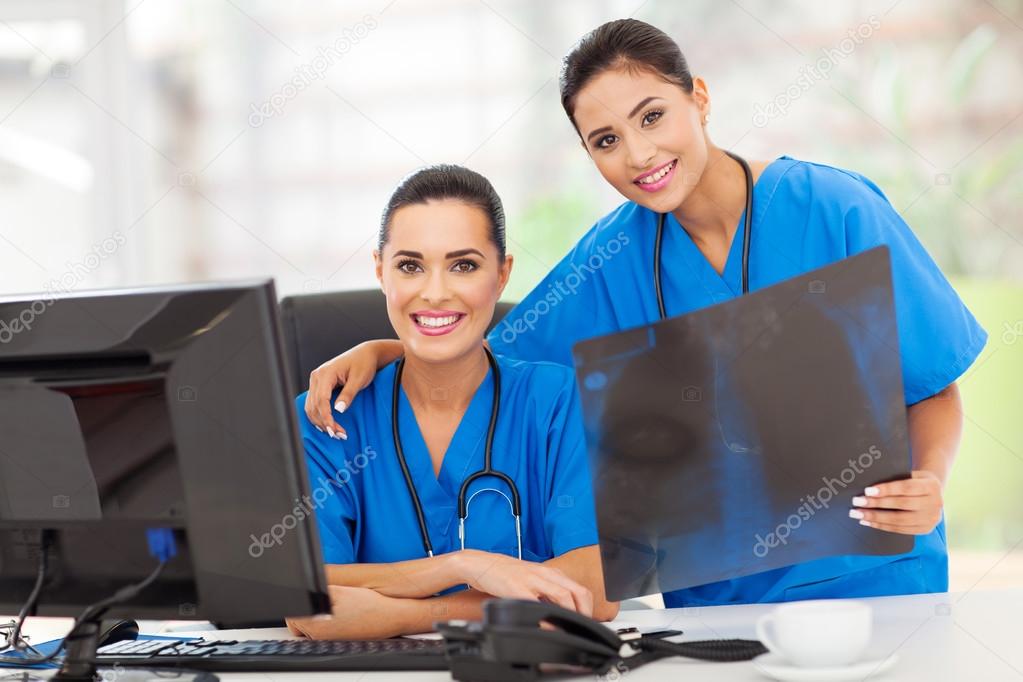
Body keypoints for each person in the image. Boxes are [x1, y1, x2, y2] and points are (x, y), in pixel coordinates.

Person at [301, 20, 987, 607]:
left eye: (651, 116)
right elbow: (490, 354)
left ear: (700, 99)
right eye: (604, 140)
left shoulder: (836, 211)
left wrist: (930, 478)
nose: (638, 155)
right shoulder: (607, 263)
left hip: (879, 583)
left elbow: (931, 385)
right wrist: (386, 349)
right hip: (720, 611)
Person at [287, 165, 617, 639]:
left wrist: (403, 613)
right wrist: (464, 566)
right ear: (381, 271)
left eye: (463, 265)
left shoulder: (557, 401)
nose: (435, 292)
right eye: (410, 266)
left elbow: (597, 588)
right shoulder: (327, 417)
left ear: (502, 274)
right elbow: (306, 600)